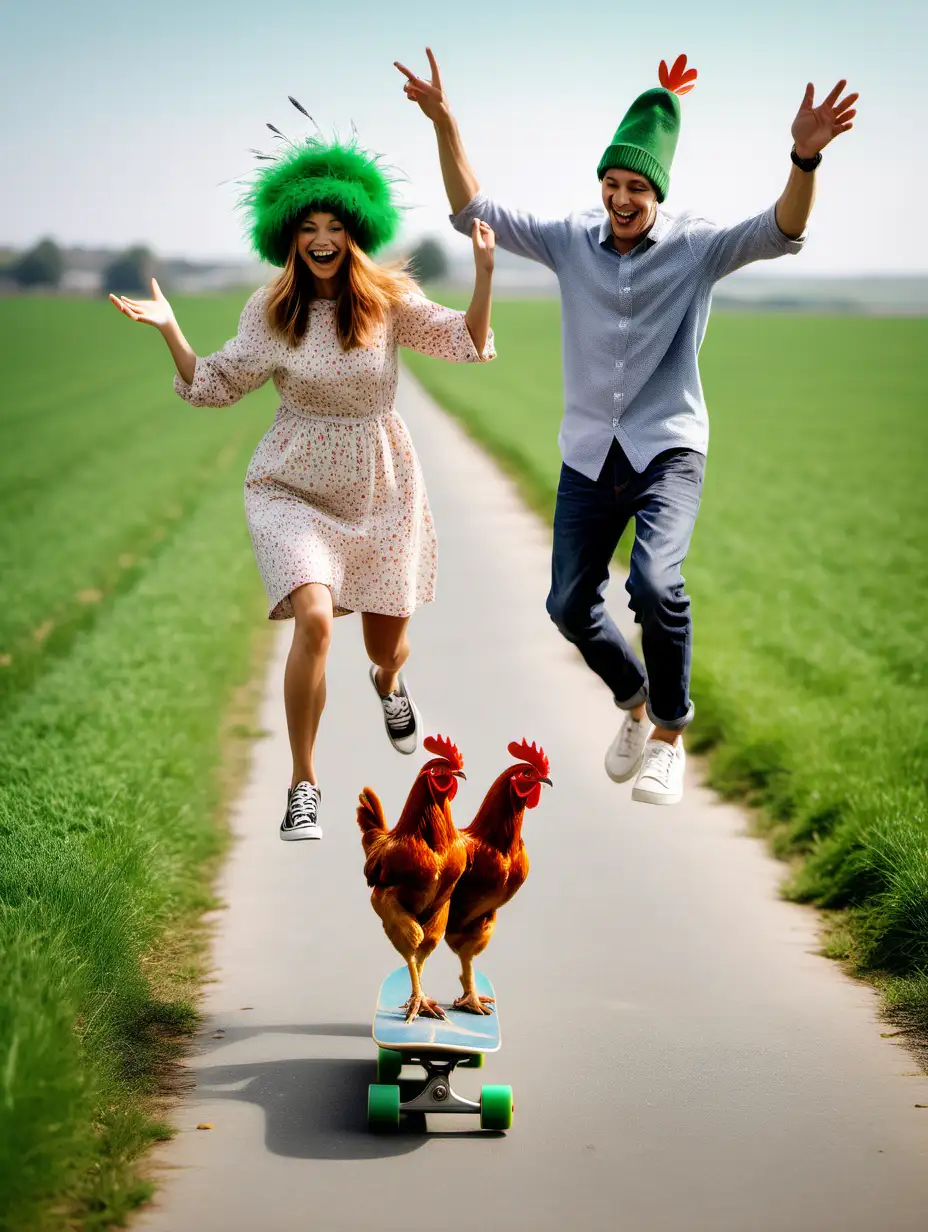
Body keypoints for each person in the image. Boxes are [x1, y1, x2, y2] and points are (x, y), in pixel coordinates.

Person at [396, 49, 857, 806]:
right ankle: (634, 702)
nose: (620, 199)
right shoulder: (571, 239)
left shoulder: (697, 247)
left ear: (658, 192)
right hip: (588, 453)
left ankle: (670, 733)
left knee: (654, 581)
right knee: (568, 606)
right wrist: (446, 122)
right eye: (611, 185)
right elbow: (474, 210)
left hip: (668, 448)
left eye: (635, 188)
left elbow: (780, 230)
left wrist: (803, 158)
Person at [110, 112, 496, 841]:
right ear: (288, 236)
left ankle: (388, 684)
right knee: (315, 618)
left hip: (381, 487)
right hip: (291, 487)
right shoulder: (272, 310)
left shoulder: (384, 302)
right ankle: (304, 785)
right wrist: (170, 329)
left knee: (386, 648)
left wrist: (482, 277)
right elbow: (215, 384)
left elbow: (466, 343)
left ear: (354, 232)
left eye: (334, 225)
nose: (321, 239)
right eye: (308, 227)